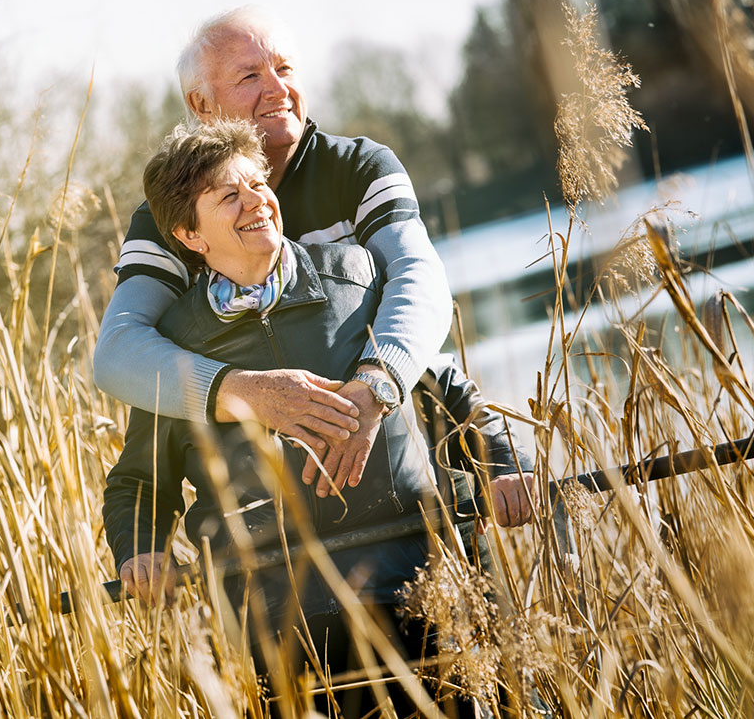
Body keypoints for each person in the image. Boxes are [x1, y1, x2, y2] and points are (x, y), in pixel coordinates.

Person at [101, 120, 535, 717]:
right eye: (230, 195)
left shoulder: (354, 277)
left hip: (420, 585)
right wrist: (141, 550)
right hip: (284, 626)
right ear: (188, 234)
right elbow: (138, 481)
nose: (257, 201)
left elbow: (448, 391)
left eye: (258, 183)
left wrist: (506, 467)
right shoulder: (174, 347)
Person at [95, 6, 451, 494]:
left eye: (284, 69)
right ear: (200, 105)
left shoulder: (360, 168)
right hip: (271, 509)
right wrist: (244, 393)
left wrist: (377, 383)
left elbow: (420, 282)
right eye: (249, 76)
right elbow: (117, 352)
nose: (278, 89)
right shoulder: (170, 218)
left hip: (409, 458)